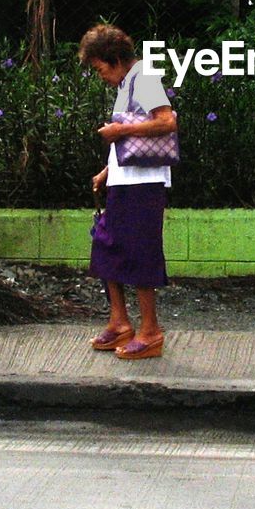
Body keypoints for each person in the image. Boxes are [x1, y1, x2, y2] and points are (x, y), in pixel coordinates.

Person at [80, 24, 177, 360]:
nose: (100, 74)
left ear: (115, 59)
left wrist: (120, 129)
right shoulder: (127, 83)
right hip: (125, 181)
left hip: (143, 185)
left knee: (139, 253)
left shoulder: (144, 78)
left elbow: (166, 121)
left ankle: (150, 332)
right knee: (107, 246)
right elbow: (132, 141)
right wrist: (109, 170)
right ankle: (120, 322)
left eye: (100, 67)